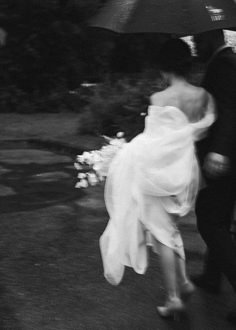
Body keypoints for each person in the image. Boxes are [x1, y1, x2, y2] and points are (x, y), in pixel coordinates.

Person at [99, 39, 215, 319]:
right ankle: (184, 282)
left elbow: (151, 144)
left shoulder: (158, 100)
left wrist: (122, 155)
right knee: (169, 231)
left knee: (162, 236)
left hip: (155, 177)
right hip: (184, 174)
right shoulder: (204, 97)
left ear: (164, 67)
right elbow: (202, 130)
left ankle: (174, 298)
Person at [192, 30, 236, 324]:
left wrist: (218, 151)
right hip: (229, 157)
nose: (194, 43)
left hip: (225, 158)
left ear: (211, 35)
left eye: (197, 38)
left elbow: (232, 110)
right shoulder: (224, 62)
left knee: (210, 221)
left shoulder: (225, 64)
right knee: (219, 218)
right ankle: (210, 276)